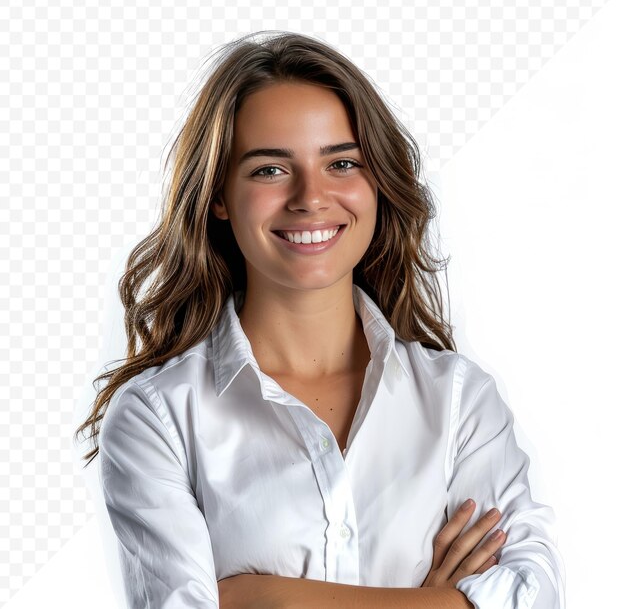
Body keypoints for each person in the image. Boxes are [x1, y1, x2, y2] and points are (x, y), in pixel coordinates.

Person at [74, 30, 565, 608]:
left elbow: (530, 596)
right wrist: (441, 602)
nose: (311, 196)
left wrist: (262, 597)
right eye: (269, 170)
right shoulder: (159, 418)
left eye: (341, 162)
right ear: (219, 196)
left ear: (378, 182)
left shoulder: (459, 402)